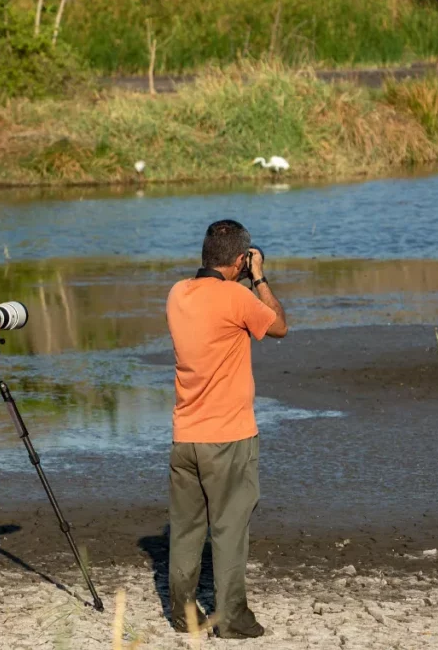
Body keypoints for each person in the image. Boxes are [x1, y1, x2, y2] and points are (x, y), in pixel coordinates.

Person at [165, 220, 288, 639]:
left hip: (186, 435)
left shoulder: (177, 293)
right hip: (229, 435)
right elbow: (278, 326)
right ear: (240, 260)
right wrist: (261, 277)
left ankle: (183, 614)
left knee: (186, 530)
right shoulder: (237, 295)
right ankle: (232, 618)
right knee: (230, 528)